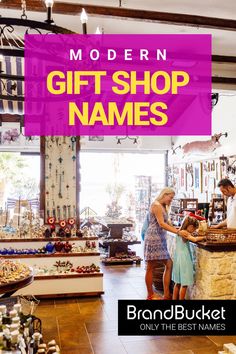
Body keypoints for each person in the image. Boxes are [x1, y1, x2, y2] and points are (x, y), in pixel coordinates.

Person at [144, 187, 190, 300]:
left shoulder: (163, 206)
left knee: (169, 264)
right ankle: (150, 295)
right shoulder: (156, 205)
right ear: (165, 195)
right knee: (151, 267)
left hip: (160, 238)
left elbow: (167, 223)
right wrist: (179, 232)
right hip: (153, 238)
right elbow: (162, 224)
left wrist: (178, 229)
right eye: (171, 197)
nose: (171, 200)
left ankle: (166, 294)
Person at [172, 216, 205, 300]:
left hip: (178, 259)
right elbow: (194, 239)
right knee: (184, 284)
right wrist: (204, 237)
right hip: (184, 259)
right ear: (190, 226)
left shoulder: (179, 231)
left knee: (177, 283)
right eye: (194, 229)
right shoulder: (185, 233)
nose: (194, 231)